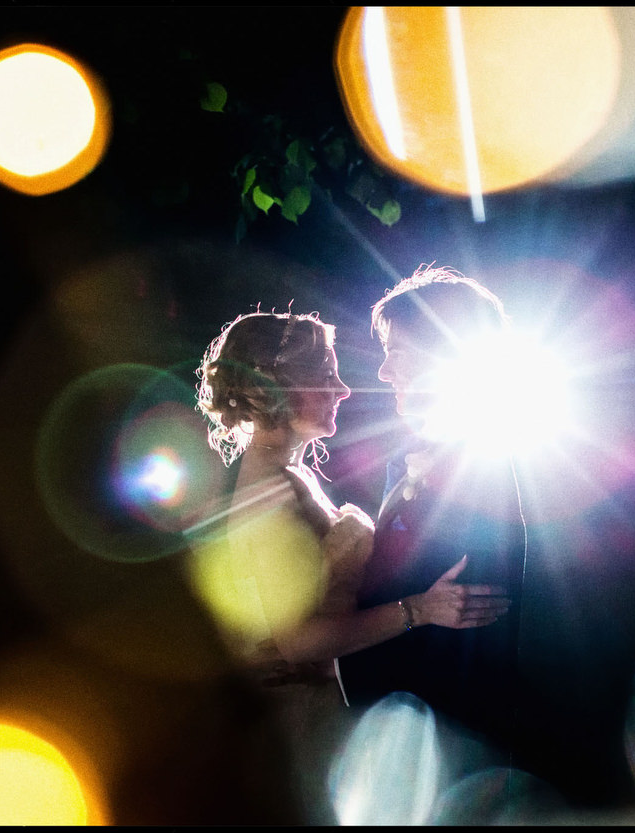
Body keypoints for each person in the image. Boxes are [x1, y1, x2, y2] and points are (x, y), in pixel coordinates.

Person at [187, 309, 510, 821]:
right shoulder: (265, 493)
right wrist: (420, 610)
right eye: (326, 377)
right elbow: (298, 640)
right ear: (280, 386)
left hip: (333, 708)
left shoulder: (292, 476)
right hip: (300, 728)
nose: (344, 390)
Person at [337, 267, 529, 777]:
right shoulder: (409, 455)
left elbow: (470, 612)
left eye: (394, 352)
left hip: (446, 744)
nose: (382, 372)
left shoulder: (481, 463)